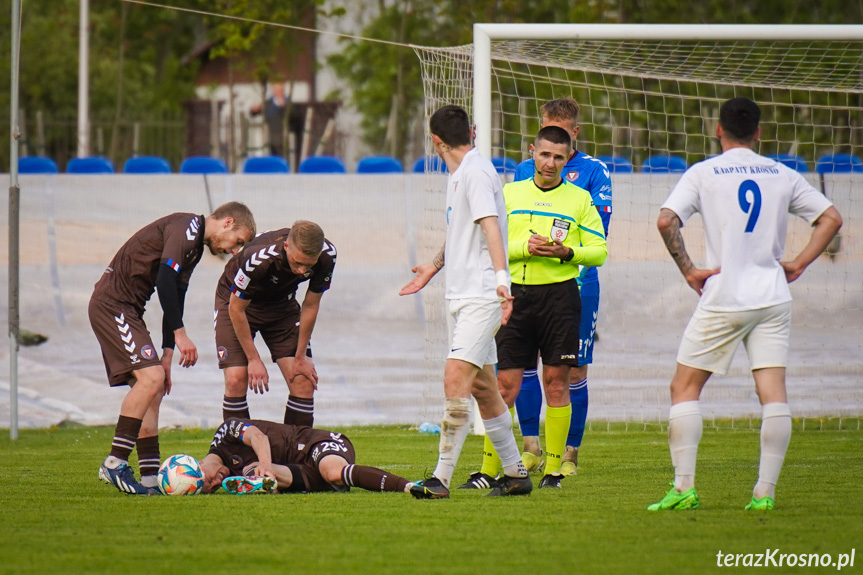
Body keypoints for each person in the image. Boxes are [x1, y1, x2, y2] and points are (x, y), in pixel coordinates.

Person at [649, 97, 843, 511]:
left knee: (684, 388)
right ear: (758, 133)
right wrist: (799, 263)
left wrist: (689, 270)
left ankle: (684, 488)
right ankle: (764, 493)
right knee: (773, 394)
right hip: (772, 295)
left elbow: (666, 220)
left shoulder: (703, 173)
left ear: (718, 130)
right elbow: (831, 218)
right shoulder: (781, 173)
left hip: (725, 294)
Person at [462, 125, 608, 491]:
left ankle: (553, 472)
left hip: (560, 297)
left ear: (567, 158)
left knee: (556, 382)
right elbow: (488, 242)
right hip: (515, 298)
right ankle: (487, 470)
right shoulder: (509, 193)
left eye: (559, 157)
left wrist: (567, 252)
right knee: (504, 385)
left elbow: (600, 250)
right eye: (544, 155)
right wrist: (524, 248)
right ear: (532, 152)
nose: (550, 163)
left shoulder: (578, 199)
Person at [399, 104, 532, 499]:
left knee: (453, 377)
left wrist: (502, 281)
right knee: (484, 388)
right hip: (463, 293)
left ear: (436, 141)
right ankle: (516, 474)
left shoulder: (475, 173)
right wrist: (434, 267)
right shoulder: (460, 176)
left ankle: (439, 480)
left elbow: (492, 228)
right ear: (471, 131)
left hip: (481, 295)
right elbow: (463, 231)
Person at [92, 202, 256, 495]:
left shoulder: (192, 249)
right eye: (238, 242)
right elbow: (164, 279)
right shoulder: (188, 228)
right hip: (113, 305)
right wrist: (180, 335)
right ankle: (114, 462)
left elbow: (175, 297)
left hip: (129, 311)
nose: (234, 251)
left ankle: (150, 481)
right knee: (151, 379)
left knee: (153, 387)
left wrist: (167, 355)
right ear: (228, 222)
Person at [509, 97, 612, 478]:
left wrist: (567, 251)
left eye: (562, 137)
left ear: (574, 136)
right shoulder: (521, 171)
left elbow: (599, 235)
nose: (551, 157)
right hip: (526, 283)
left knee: (572, 371)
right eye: (546, 133)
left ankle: (569, 453)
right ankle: (531, 446)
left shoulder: (595, 172)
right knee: (522, 368)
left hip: (576, 285)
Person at [214, 221, 335, 427]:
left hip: (281, 305)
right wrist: (253, 359)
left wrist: (300, 356)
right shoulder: (258, 259)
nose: (301, 270)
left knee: (303, 380)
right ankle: (238, 456)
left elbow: (311, 304)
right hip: (238, 304)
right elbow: (236, 309)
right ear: (287, 246)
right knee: (236, 378)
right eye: (297, 262)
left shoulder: (327, 256)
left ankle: (296, 453)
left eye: (308, 265)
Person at [198, 418, 414, 495]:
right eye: (214, 487)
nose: (218, 482)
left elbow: (257, 436)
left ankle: (410, 486)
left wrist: (264, 464)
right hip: (298, 473)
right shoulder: (232, 479)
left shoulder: (224, 434)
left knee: (332, 472)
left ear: (198, 464)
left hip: (313, 445)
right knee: (253, 472)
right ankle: (266, 484)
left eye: (210, 479)